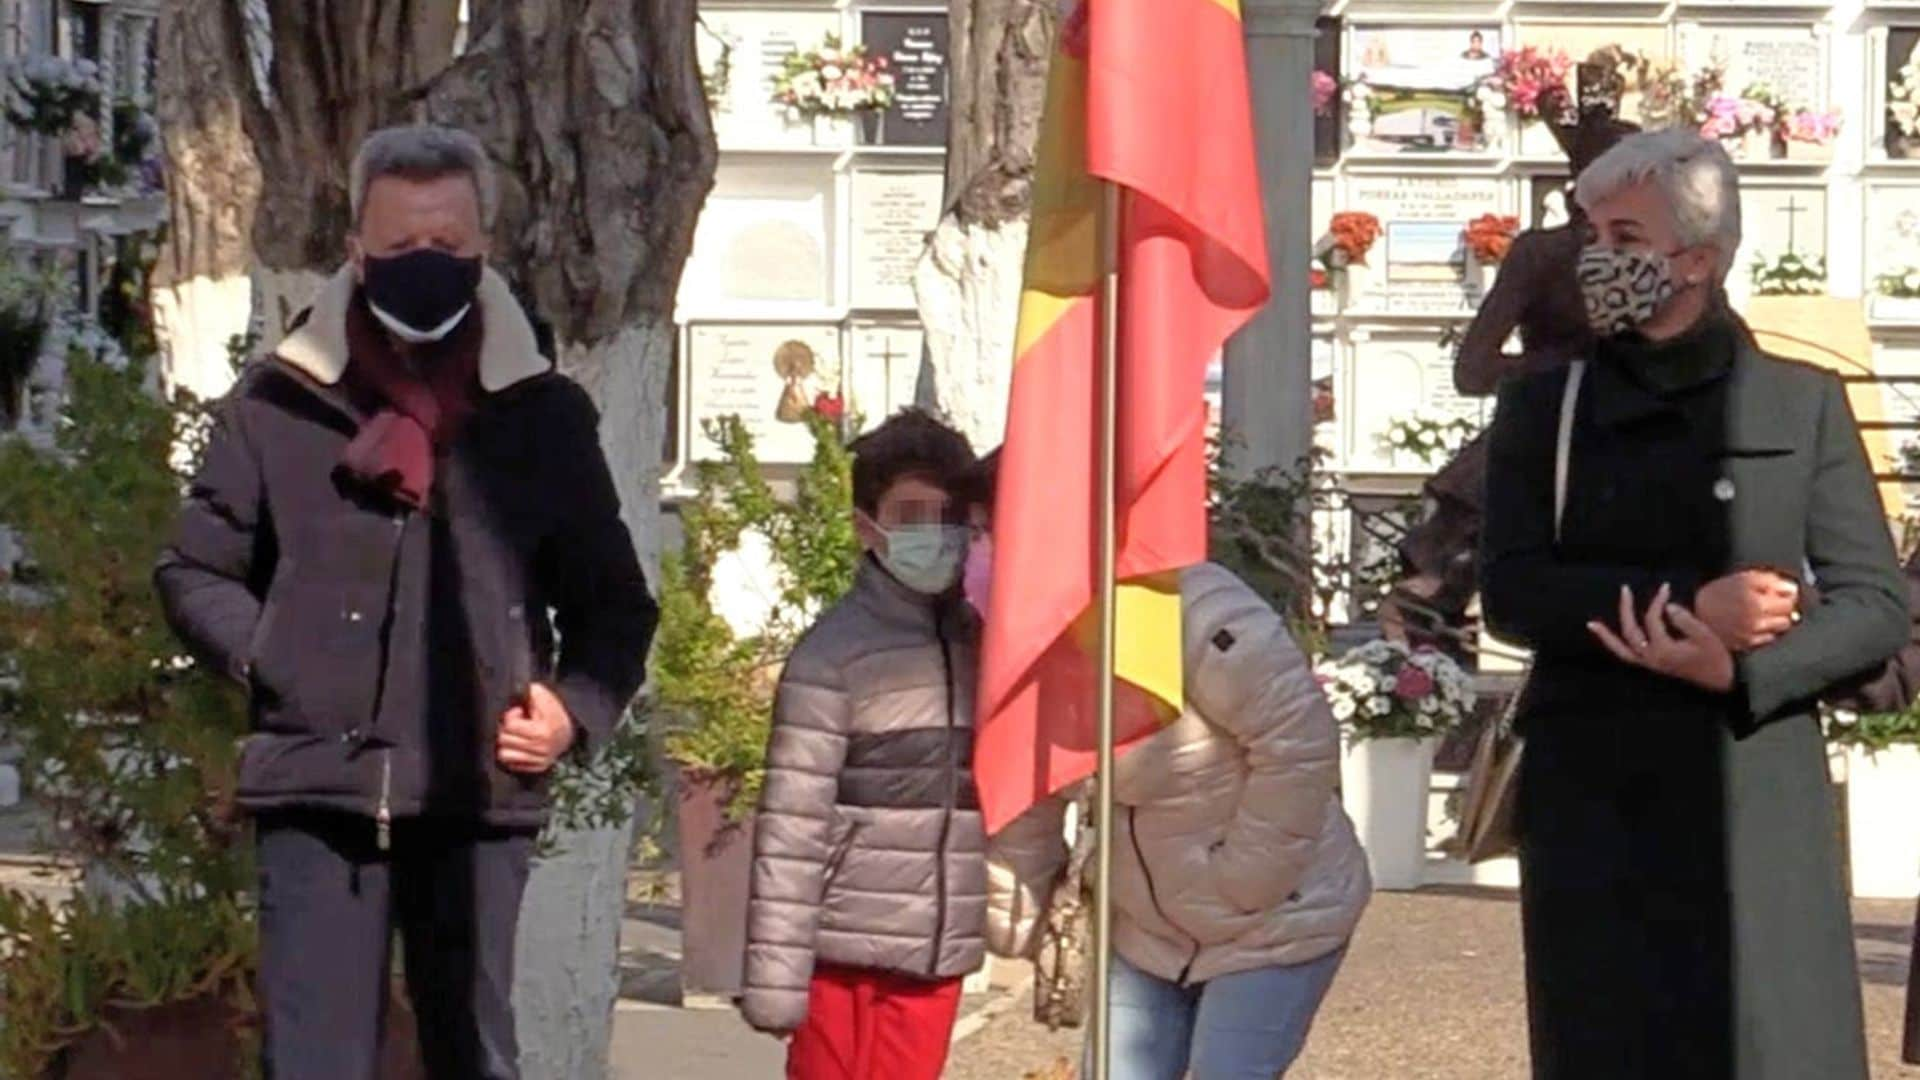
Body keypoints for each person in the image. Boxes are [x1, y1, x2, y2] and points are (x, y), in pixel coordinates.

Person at [154, 125, 658, 1080]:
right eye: (399, 249)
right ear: (355, 252)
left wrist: (571, 709)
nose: (425, 266)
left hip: (477, 796)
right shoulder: (278, 401)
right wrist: (270, 654)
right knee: (315, 1062)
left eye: (449, 248)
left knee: (470, 1054)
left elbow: (615, 606)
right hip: (316, 787)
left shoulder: (542, 414)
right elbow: (193, 568)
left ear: (483, 249)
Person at [1480, 128, 1908, 1079]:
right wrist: (1687, 608)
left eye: (1625, 238)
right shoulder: (1543, 409)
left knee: (1771, 1047)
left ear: (1699, 260)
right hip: (1596, 793)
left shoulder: (1801, 403)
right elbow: (1511, 589)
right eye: (1590, 232)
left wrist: (1744, 666)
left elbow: (1875, 603)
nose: (1598, 259)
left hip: (1755, 788)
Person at [983, 471, 1370, 1079]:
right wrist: (1017, 912)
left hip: (1275, 922)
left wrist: (1246, 879)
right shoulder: (1026, 637)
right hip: (1145, 931)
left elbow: (1298, 741)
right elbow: (1028, 782)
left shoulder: (1199, 610)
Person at [738, 409, 985, 1080]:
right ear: (864, 526)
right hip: (840, 960)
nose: (932, 535)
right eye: (909, 514)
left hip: (934, 959)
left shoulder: (985, 644)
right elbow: (791, 828)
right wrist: (776, 979)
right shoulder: (832, 657)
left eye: (949, 515)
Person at [1387, 92, 1638, 648]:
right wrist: (1565, 368)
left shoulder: (1668, 259)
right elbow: (1473, 371)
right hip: (1546, 429)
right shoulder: (1540, 254)